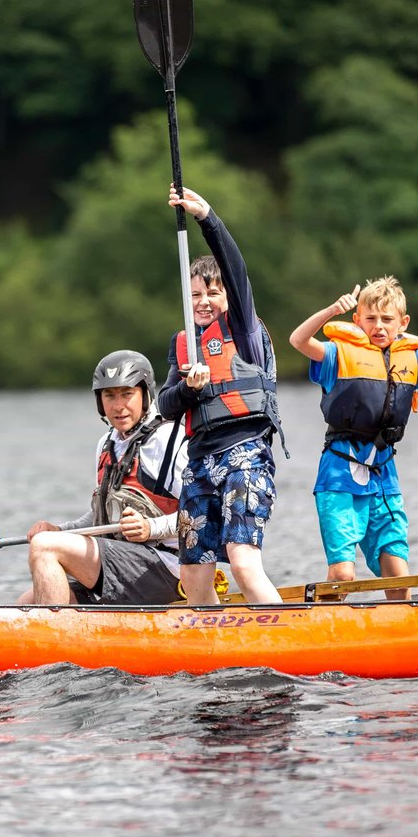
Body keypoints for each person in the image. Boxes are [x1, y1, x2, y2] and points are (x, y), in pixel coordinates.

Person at [287, 276, 418, 599]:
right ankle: (325, 629)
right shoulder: (336, 356)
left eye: (387, 319)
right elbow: (298, 340)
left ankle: (403, 638)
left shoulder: (414, 360)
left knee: (398, 573)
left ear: (403, 323)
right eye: (370, 319)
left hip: (384, 477)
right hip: (338, 475)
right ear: (357, 321)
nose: (379, 326)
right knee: (343, 573)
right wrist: (331, 311)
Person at [156, 185, 286, 606]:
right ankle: (214, 657)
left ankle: (287, 639)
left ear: (227, 296)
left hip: (244, 453)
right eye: (195, 294)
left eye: (212, 292)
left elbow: (235, 269)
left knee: (243, 561)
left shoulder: (243, 330)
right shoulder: (184, 346)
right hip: (199, 462)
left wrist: (206, 217)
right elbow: (163, 405)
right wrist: (187, 387)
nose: (204, 301)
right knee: (193, 576)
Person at [16, 350, 189, 605]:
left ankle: (52, 638)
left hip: (166, 569)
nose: (118, 406)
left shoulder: (169, 440)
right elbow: (101, 515)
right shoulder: (107, 444)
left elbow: (203, 513)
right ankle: (62, 636)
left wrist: (151, 528)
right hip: (123, 564)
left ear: (145, 395)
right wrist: (61, 530)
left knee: (45, 546)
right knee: (27, 602)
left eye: (127, 394)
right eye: (109, 396)